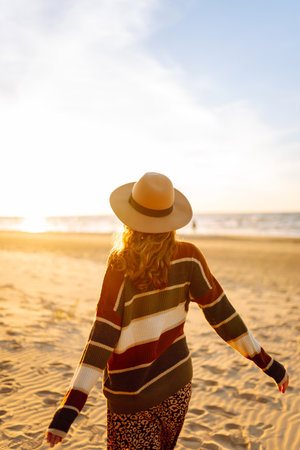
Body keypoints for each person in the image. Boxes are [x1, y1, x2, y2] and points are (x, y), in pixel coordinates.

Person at [46, 172, 289, 449]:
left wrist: (70, 407)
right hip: (177, 385)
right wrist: (270, 365)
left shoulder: (120, 264)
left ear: (130, 218)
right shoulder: (190, 257)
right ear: (171, 219)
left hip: (130, 396)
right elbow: (223, 315)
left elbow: (103, 334)